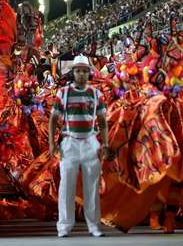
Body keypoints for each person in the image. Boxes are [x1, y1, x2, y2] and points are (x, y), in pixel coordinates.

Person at [48, 55, 111, 237]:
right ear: (73, 73)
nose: (81, 74)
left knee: (91, 187)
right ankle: (64, 227)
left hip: (91, 142)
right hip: (70, 143)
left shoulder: (96, 94)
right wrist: (52, 143)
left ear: (89, 73)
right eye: (78, 71)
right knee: (66, 185)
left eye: (84, 71)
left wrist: (105, 144)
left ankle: (94, 226)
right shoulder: (63, 93)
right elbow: (53, 119)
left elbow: (102, 122)